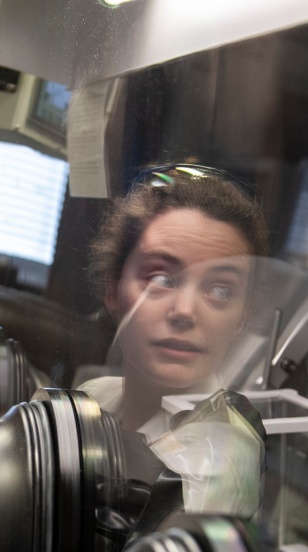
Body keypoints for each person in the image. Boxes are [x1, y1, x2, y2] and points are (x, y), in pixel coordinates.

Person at [80, 165, 268, 515]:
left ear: (244, 316)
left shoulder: (214, 467)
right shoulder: (93, 397)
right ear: (112, 289)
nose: (185, 311)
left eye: (220, 289)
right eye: (162, 279)